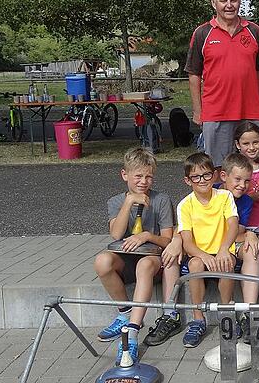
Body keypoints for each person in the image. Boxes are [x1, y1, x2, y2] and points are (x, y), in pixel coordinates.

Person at [94, 148, 182, 364]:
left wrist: (146, 236)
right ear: (125, 175)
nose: (144, 181)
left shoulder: (161, 200)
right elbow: (116, 233)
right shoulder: (116, 202)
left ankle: (132, 333)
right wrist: (128, 202)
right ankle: (124, 312)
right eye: (138, 176)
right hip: (125, 258)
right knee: (102, 261)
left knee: (144, 264)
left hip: (153, 259)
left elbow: (167, 240)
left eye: (149, 176)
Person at [185, 0, 259, 168]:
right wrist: (197, 111)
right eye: (223, 0)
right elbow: (194, 74)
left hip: (249, 112)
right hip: (216, 112)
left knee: (255, 167)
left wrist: (258, 103)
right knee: (217, 168)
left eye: (233, 0)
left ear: (240, 1)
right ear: (213, 3)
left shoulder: (254, 31)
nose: (229, 5)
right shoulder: (202, 33)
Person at [176, 152, 240, 347]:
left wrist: (222, 249)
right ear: (188, 180)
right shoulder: (184, 205)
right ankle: (198, 318)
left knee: (226, 261)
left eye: (206, 175)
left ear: (214, 175)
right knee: (194, 264)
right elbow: (187, 243)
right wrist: (203, 255)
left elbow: (233, 224)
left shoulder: (225, 196)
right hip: (199, 253)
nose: (202, 180)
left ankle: (226, 312)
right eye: (196, 177)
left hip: (222, 250)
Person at [215, 153, 259, 335]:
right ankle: (228, 310)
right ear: (224, 176)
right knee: (227, 259)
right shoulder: (212, 192)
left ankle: (248, 311)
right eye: (237, 179)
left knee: (251, 251)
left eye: (247, 181)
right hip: (210, 245)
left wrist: (248, 234)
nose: (242, 185)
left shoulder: (244, 201)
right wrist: (247, 233)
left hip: (231, 244)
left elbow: (239, 230)